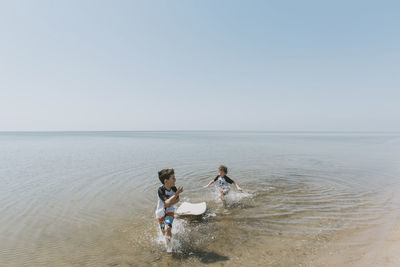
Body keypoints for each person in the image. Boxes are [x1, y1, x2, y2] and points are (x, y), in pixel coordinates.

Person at [155, 168, 183, 251]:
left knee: (168, 228)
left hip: (170, 212)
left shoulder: (174, 188)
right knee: (164, 232)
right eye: (173, 178)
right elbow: (166, 203)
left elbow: (178, 200)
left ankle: (169, 249)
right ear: (166, 181)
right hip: (160, 214)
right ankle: (169, 243)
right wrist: (176, 194)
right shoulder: (160, 190)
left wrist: (173, 198)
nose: (175, 180)